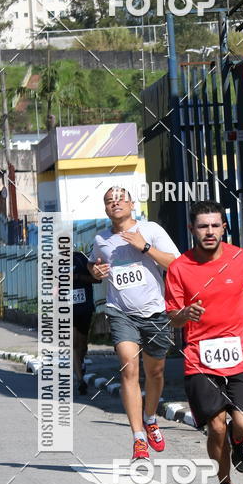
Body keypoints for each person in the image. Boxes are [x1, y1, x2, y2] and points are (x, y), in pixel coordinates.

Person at [166, 200, 243, 484]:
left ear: (224, 227)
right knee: (215, 427)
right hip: (200, 358)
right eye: (203, 226)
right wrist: (184, 313)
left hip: (240, 355)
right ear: (192, 230)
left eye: (215, 225)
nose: (209, 231)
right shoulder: (179, 268)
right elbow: (172, 316)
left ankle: (240, 442)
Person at [88, 187, 180, 460]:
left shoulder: (150, 229)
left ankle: (150, 418)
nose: (115, 203)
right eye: (109, 201)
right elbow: (95, 266)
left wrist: (146, 247)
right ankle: (138, 438)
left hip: (154, 312)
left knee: (156, 373)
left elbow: (175, 263)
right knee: (129, 368)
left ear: (131, 203)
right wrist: (96, 272)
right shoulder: (101, 238)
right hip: (120, 312)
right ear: (105, 209)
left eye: (119, 199)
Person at [72, 249, 100, 396]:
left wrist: (77, 277)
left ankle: (81, 364)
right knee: (74, 344)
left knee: (82, 344)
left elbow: (97, 279)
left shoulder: (81, 258)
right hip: (66, 309)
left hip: (84, 308)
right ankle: (80, 380)